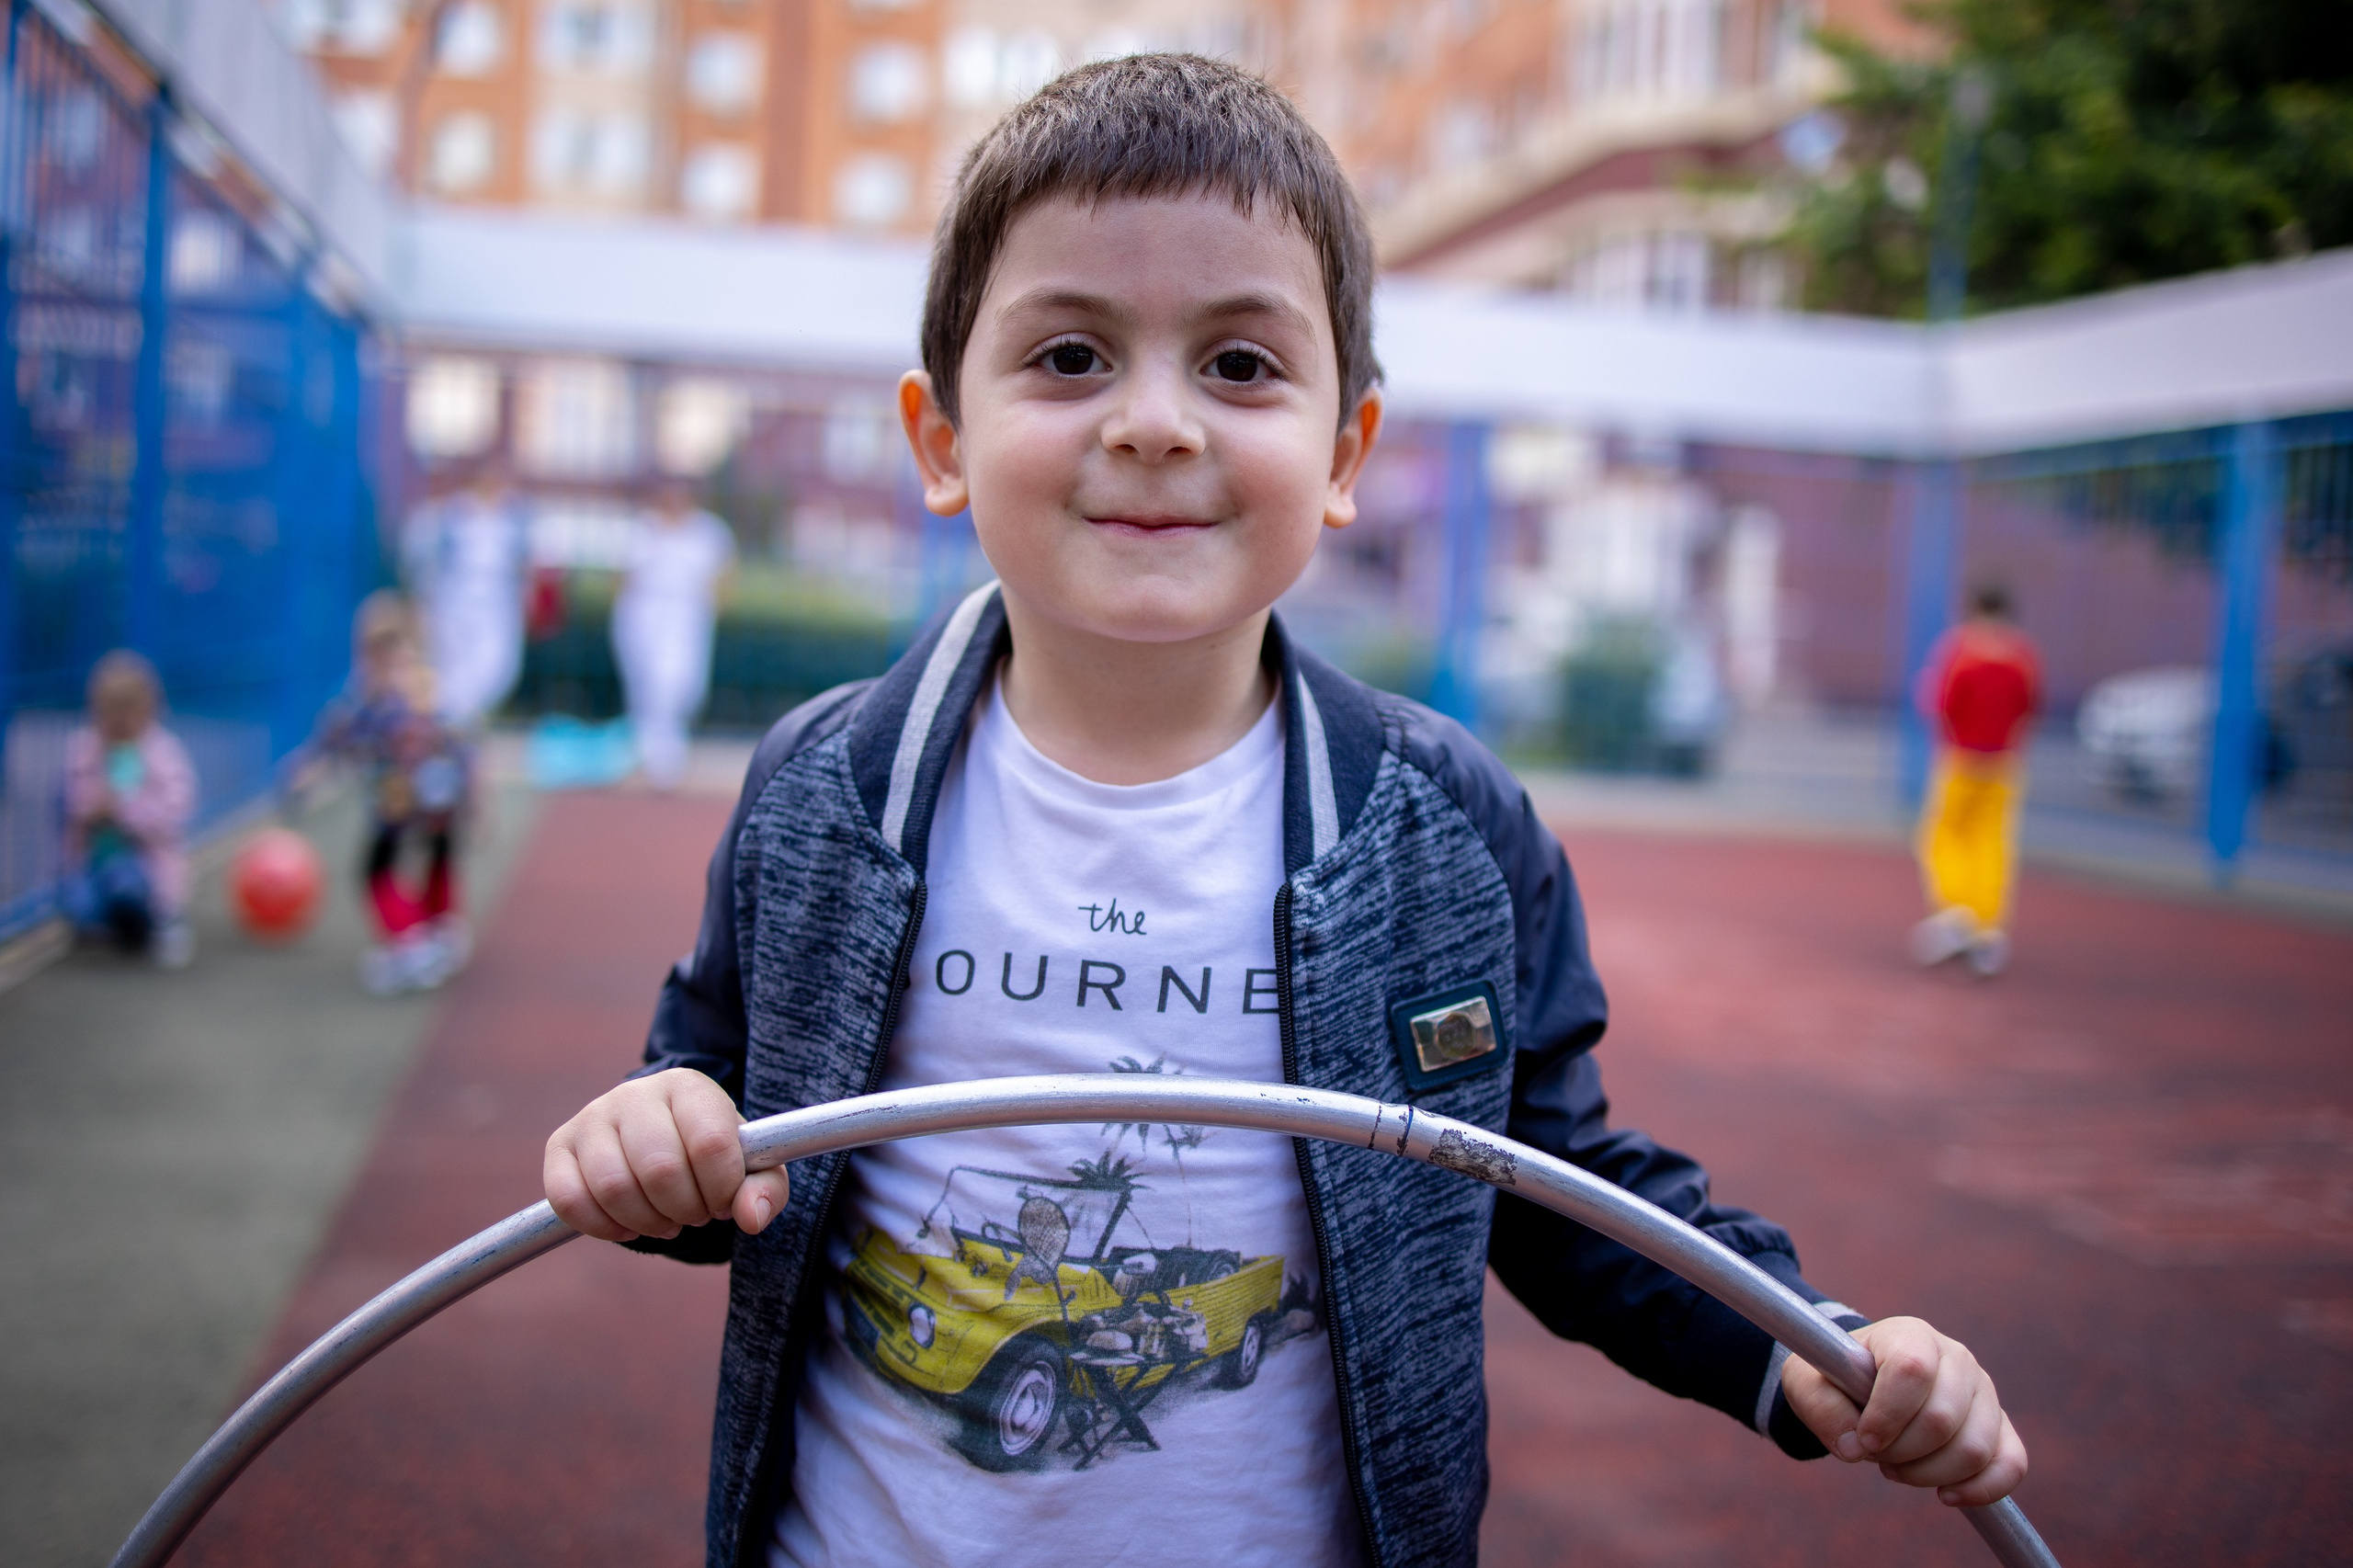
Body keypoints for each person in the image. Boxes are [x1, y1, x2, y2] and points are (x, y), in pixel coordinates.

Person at [542, 56, 2028, 1568]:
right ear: (939, 438)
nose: (1156, 424)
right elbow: (718, 1116)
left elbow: (1558, 1185)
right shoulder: (825, 786)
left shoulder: (1445, 828)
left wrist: (1802, 1342)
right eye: (1069, 356)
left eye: (1240, 366)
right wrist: (651, 1140)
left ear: (1343, 453)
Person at [302, 591, 473, 994]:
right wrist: (470, 792)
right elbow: (461, 741)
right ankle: (441, 930)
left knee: (377, 869)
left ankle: (411, 939)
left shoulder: (372, 696)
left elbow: (339, 734)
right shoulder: (428, 687)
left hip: (399, 797)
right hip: (441, 794)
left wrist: (310, 766)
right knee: (436, 855)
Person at [1911, 584, 2042, 978]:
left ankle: (1956, 913)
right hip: (2004, 764)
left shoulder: (1962, 651)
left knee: (1944, 836)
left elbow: (1943, 703)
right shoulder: (2022, 657)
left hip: (1962, 760)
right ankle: (1987, 928)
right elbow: (2029, 705)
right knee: (1992, 843)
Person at [63, 650, 197, 968]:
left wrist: (125, 811)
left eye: (128, 711)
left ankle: (162, 921)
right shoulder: (86, 748)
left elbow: (177, 808)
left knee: (129, 883)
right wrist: (91, 805)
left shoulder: (161, 752)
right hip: (92, 859)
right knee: (81, 905)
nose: (119, 721)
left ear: (149, 709)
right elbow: (71, 797)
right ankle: (101, 921)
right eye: (110, 711)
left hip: (147, 861)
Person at [612, 478, 734, 790]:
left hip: (686, 615)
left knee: (682, 686)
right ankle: (662, 761)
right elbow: (624, 576)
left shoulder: (709, 531)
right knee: (650, 686)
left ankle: (658, 754)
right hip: (646, 611)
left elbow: (724, 575)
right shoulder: (642, 528)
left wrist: (713, 608)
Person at [404, 464, 530, 732]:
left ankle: (460, 718)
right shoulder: (452, 514)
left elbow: (522, 565)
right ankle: (446, 723)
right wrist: (425, 599)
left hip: (496, 604)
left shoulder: (513, 518)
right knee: (452, 664)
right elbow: (425, 560)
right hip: (456, 599)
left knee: (497, 665)